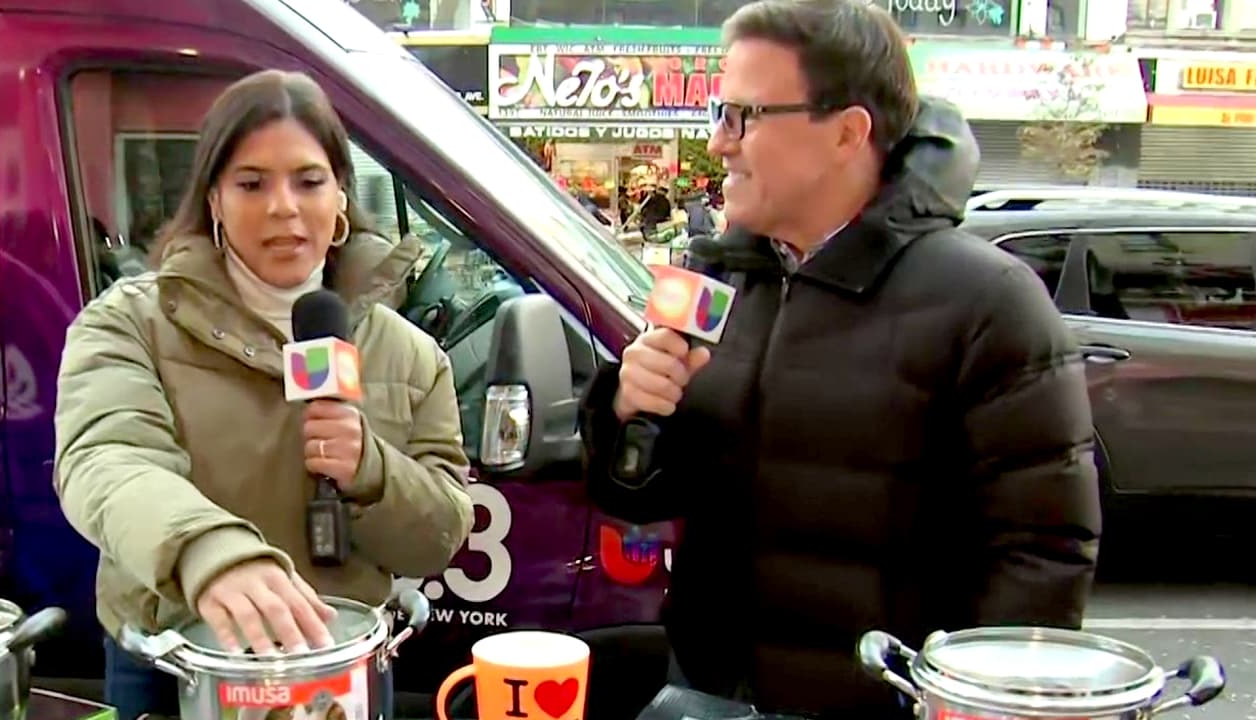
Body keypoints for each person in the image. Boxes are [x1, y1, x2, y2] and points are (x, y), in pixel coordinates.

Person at [579, 1, 1102, 717]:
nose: (719, 144)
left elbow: (1042, 554)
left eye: (745, 116)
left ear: (848, 132)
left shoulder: (988, 302)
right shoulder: (725, 280)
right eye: (717, 113)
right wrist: (626, 413)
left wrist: (969, 702)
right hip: (709, 692)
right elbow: (642, 495)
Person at [53, 69, 476, 720]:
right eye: (252, 183)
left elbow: (439, 536)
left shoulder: (411, 355)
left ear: (341, 196)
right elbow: (106, 459)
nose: (284, 206)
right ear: (214, 200)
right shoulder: (127, 323)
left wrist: (369, 468)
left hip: (341, 672)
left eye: (308, 181)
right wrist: (210, 554)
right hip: (175, 664)